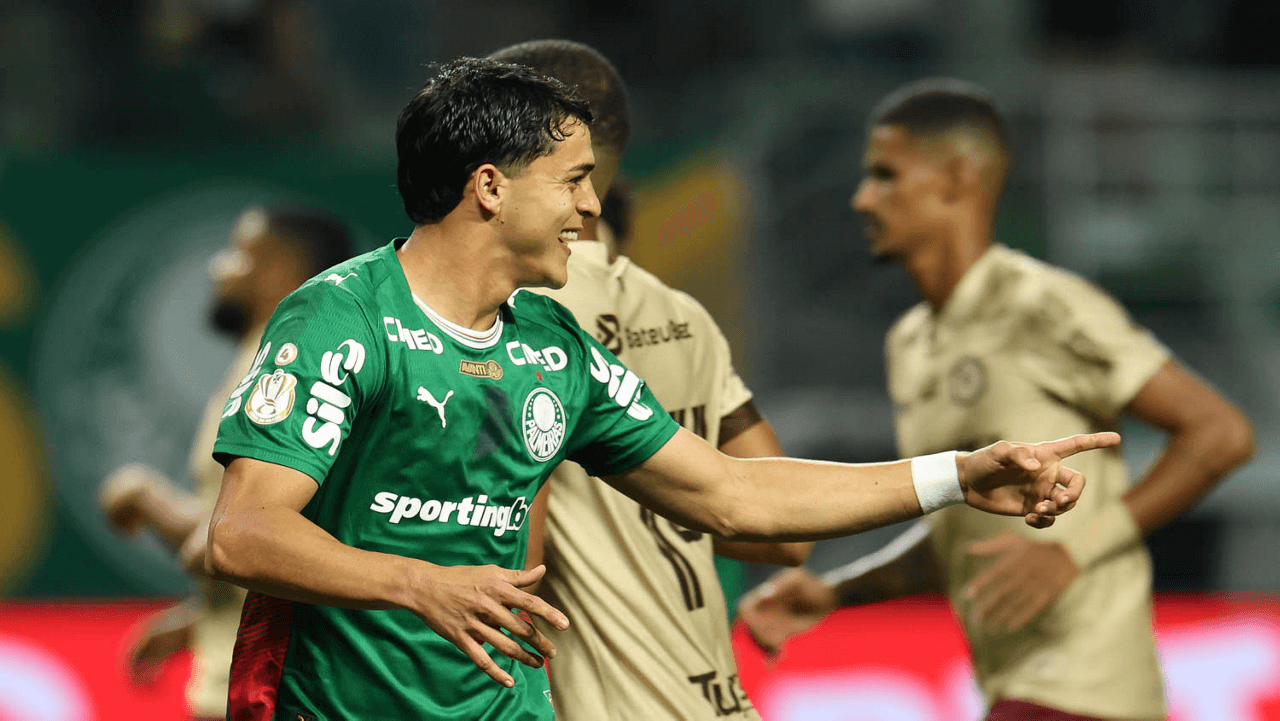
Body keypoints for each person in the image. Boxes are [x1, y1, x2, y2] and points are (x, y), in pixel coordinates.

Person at [205, 58, 1113, 721]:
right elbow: (245, 533)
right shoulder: (341, 318)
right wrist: (420, 585)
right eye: (573, 182)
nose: (594, 208)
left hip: (502, 709)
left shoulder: (551, 346)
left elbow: (732, 492)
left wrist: (957, 472)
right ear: (490, 187)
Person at [738, 78, 1256, 721]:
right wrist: (835, 593)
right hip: (1013, 688)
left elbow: (1221, 433)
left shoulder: (1041, 306)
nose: (863, 198)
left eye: (886, 176)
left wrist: (1074, 550)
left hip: (1088, 691)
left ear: (956, 180)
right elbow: (959, 537)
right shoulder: (913, 342)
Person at [489, 39, 811, 720]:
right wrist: (648, 507)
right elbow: (785, 532)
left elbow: (512, 563)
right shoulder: (683, 316)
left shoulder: (517, 314)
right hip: (717, 700)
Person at [97, 204, 354, 721]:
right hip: (249, 675)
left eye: (239, 254)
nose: (219, 267)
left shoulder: (290, 372)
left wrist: (143, 493)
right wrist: (203, 618)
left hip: (273, 689)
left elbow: (243, 531)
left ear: (280, 273)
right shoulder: (265, 361)